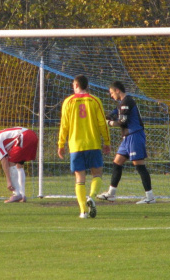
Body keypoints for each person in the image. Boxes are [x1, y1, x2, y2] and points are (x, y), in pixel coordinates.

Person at [57, 75, 111, 219]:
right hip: (93, 143)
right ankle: (92, 197)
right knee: (97, 174)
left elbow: (64, 125)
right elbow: (102, 123)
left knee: (80, 178)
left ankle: (83, 211)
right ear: (87, 86)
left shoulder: (68, 102)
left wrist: (61, 144)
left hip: (75, 145)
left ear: (75, 85)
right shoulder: (95, 100)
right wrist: (107, 141)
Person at [96, 81, 156, 204]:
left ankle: (150, 197)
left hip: (134, 136)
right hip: (127, 138)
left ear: (118, 90)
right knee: (117, 163)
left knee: (139, 166)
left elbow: (122, 121)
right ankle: (111, 194)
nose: (111, 96)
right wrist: (101, 118)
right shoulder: (121, 104)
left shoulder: (127, 102)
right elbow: (111, 115)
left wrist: (109, 123)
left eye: (112, 93)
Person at [0, 127, 38, 203]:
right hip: (32, 135)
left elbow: (4, 161)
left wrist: (8, 181)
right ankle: (22, 195)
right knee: (18, 164)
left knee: (10, 162)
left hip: (24, 136)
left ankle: (16, 194)